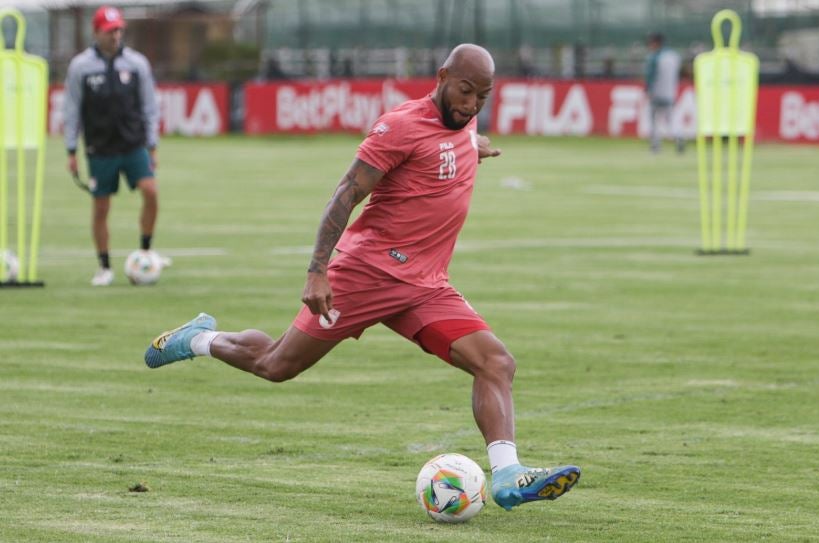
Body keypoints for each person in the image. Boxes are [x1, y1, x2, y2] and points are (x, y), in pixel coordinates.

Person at [144, 43, 581, 511]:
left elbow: (453, 140)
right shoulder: (399, 127)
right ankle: (198, 339)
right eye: (465, 91)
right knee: (277, 365)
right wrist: (317, 272)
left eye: (482, 96)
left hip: (425, 284)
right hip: (365, 274)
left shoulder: (463, 123)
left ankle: (508, 475)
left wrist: (475, 146)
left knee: (496, 363)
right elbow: (344, 195)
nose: (471, 104)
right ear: (441, 77)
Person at [64, 5, 165, 286]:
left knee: (151, 192)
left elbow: (149, 106)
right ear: (96, 32)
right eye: (110, 31)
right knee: (101, 208)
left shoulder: (137, 64)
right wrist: (71, 150)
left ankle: (146, 250)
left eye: (119, 29)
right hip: (100, 149)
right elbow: (72, 109)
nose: (116, 35)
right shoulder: (80, 67)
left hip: (134, 145)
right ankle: (104, 266)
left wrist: (152, 145)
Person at [644, 32, 684, 153]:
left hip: (656, 93)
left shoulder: (654, 57)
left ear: (656, 43)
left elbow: (650, 76)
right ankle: (679, 138)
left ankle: (655, 145)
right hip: (670, 93)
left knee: (653, 119)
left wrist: (648, 90)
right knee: (671, 119)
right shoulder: (674, 56)